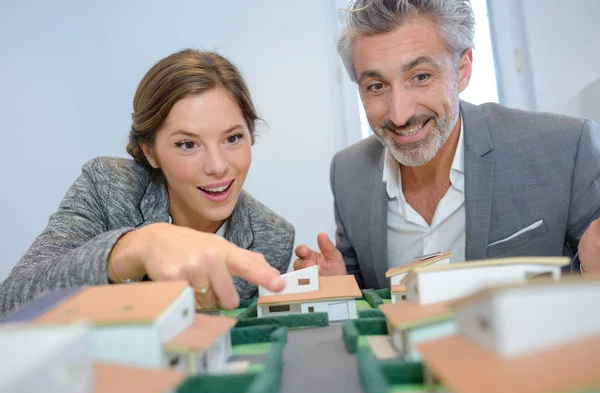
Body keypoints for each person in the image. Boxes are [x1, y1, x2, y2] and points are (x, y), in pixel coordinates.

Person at [294, 0, 600, 289]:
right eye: (376, 86)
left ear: (463, 69)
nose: (400, 115)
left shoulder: (566, 148)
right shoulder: (347, 173)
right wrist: (340, 286)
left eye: (421, 76)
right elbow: (364, 291)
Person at [0, 49, 294, 315]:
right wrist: (131, 249)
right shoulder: (107, 186)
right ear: (150, 152)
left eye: (233, 138)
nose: (218, 167)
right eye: (188, 145)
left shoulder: (273, 237)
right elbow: (11, 301)